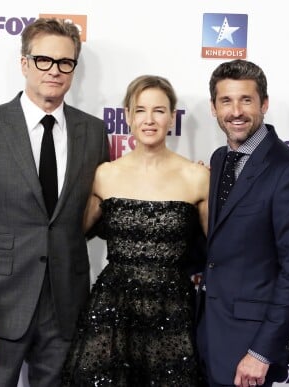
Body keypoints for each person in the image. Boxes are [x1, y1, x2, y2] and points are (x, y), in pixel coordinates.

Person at [0, 18, 109, 387]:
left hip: (66, 305)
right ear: (24, 64)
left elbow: (96, 215)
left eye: (65, 62)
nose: (55, 70)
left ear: (74, 69)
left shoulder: (94, 132)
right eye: (44, 60)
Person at [61, 75, 210, 386]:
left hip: (173, 312)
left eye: (159, 110)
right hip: (112, 311)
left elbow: (218, 249)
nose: (149, 120)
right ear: (127, 116)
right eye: (140, 110)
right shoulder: (105, 174)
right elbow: (71, 233)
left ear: (172, 116)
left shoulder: (197, 177)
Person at [196, 59, 289, 387]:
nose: (236, 111)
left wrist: (262, 353)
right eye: (226, 101)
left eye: (246, 100)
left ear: (264, 104)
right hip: (207, 332)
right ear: (213, 108)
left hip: (249, 345)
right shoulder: (220, 159)